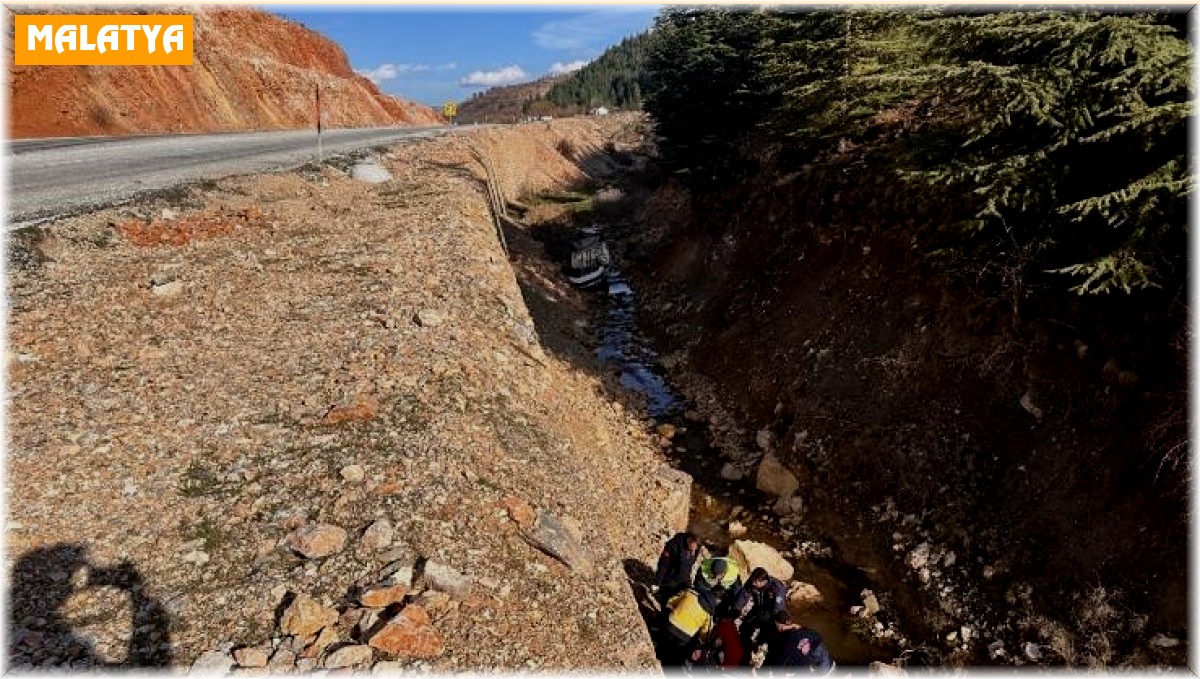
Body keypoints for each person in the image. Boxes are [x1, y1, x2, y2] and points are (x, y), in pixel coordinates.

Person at [660, 586, 720, 666]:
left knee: (664, 640)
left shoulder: (690, 593)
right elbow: (704, 634)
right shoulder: (708, 615)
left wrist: (668, 612)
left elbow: (671, 601)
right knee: (674, 650)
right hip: (684, 637)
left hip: (669, 625)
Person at [734, 567, 789, 650]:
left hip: (774, 614)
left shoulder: (776, 588)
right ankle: (745, 647)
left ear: (764, 581)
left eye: (755, 582)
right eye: (752, 581)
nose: (753, 584)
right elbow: (744, 594)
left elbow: (778, 608)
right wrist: (736, 609)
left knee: (767, 633)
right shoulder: (753, 581)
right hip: (759, 608)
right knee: (745, 626)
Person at [762, 612, 835, 675]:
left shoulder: (788, 642)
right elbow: (818, 639)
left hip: (821, 672)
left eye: (777, 626)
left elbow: (779, 665)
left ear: (780, 626)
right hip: (830, 663)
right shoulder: (807, 631)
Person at [655, 532, 701, 605]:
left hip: (683, 581)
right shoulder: (674, 545)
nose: (693, 551)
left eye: (695, 548)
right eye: (692, 548)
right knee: (666, 603)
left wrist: (688, 583)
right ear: (688, 540)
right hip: (670, 579)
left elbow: (689, 567)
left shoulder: (695, 549)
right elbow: (663, 565)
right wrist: (657, 583)